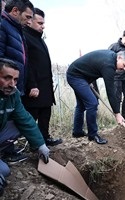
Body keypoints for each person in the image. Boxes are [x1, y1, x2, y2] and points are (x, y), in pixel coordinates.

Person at [0, 58, 50, 196]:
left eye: (15, 80)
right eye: (7, 78)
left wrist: (40, 144)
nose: (12, 84)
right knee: (4, 171)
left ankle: (6, 152)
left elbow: (25, 119)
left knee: (18, 124)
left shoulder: (13, 94)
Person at [66, 50, 125, 144]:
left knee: (81, 105)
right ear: (119, 58)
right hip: (75, 76)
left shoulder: (111, 58)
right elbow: (111, 92)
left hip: (82, 76)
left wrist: (89, 81)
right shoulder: (109, 65)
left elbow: (93, 67)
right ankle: (93, 135)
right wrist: (117, 113)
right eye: (124, 65)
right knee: (92, 103)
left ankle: (77, 132)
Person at [21, 8, 62, 146]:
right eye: (39, 23)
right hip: (35, 85)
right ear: (30, 21)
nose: (42, 26)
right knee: (33, 115)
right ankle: (33, 143)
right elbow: (27, 64)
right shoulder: (25, 37)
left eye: (43, 23)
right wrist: (32, 85)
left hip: (45, 84)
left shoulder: (39, 38)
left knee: (46, 112)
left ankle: (45, 138)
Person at [0, 0, 34, 96]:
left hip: (13, 88)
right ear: (15, 11)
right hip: (5, 90)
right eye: (27, 17)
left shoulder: (18, 31)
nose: (29, 22)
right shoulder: (2, 25)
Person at [108, 29, 125, 122]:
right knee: (117, 97)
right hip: (116, 77)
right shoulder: (114, 47)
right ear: (122, 37)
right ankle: (118, 117)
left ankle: (124, 115)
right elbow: (108, 60)